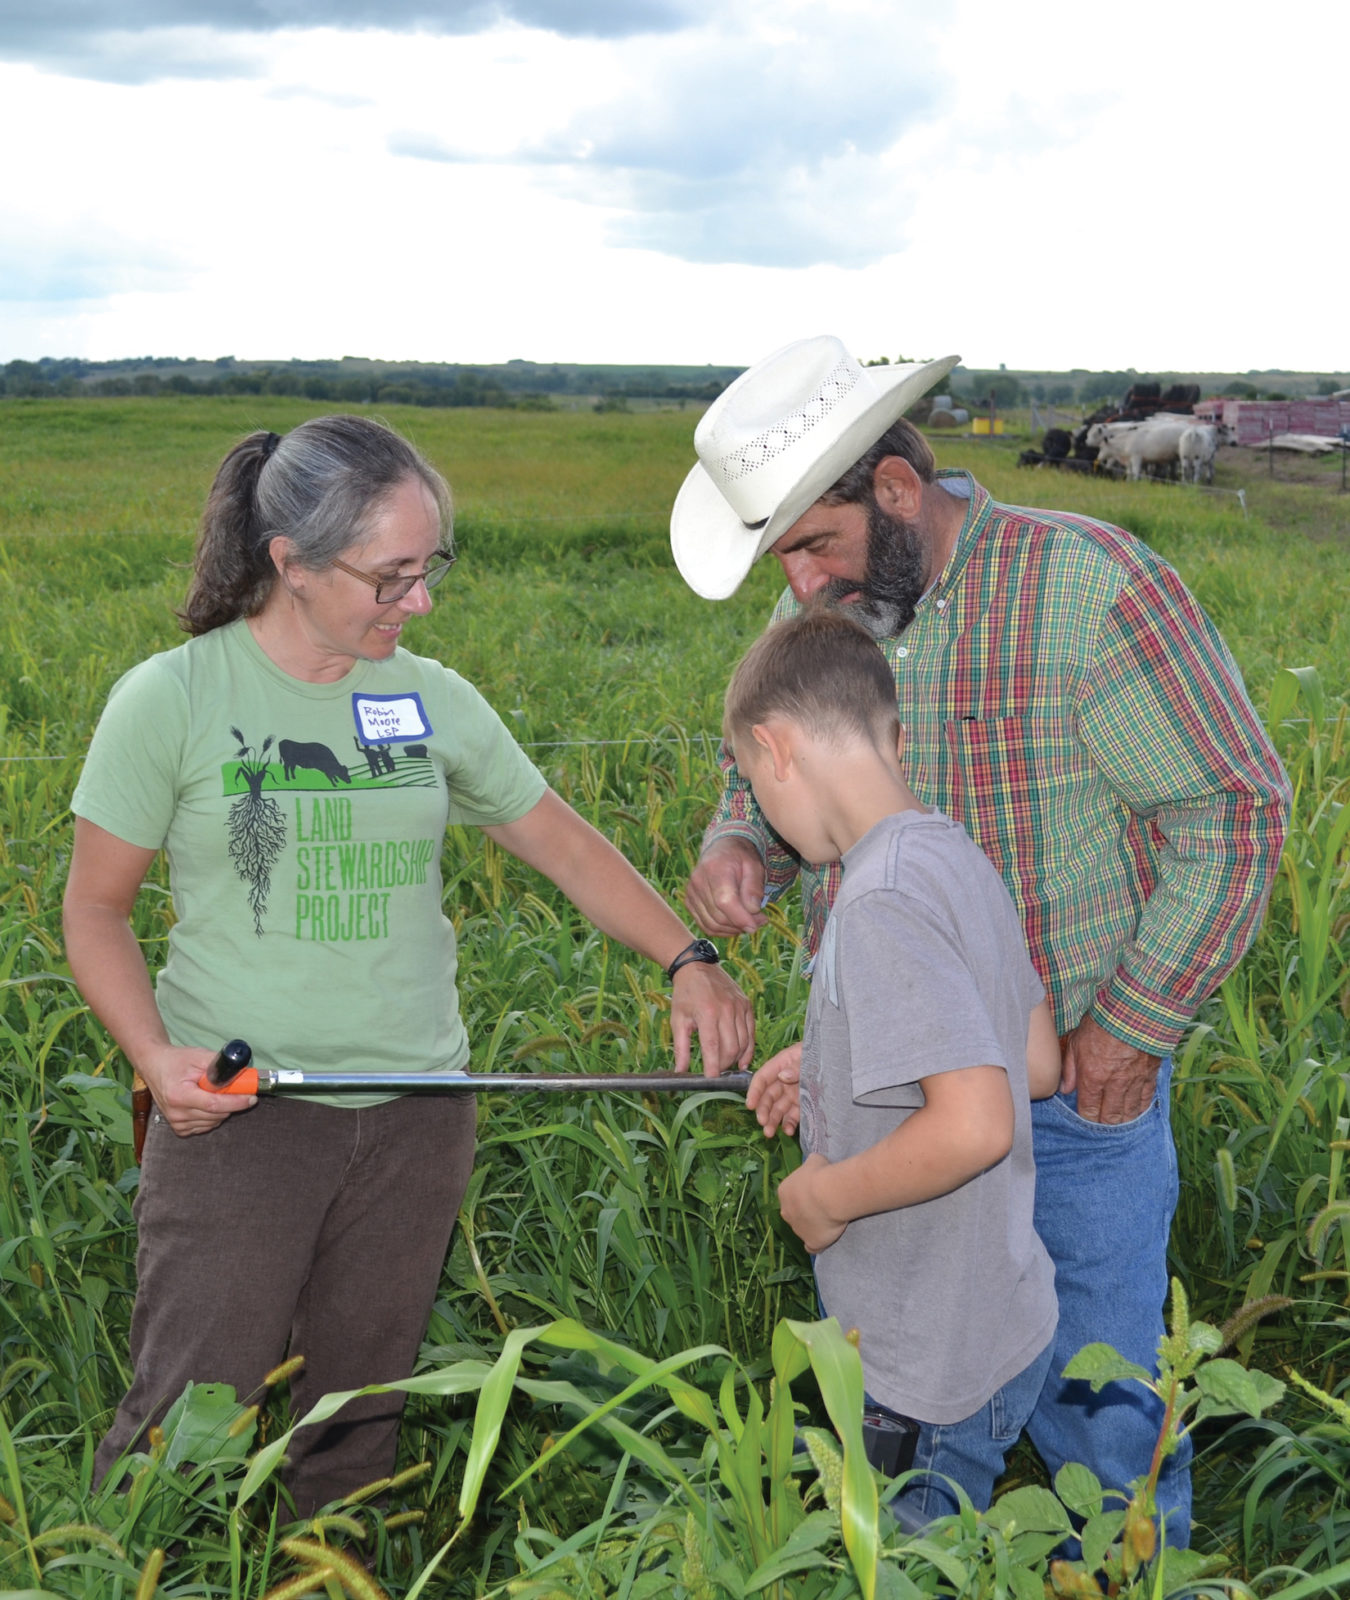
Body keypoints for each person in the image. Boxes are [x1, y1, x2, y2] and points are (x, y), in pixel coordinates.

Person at [63, 414, 754, 1518]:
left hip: (421, 1112)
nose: (418, 602)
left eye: (429, 570)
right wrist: (153, 1057)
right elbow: (94, 910)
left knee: (359, 1415)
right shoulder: (175, 698)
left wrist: (690, 954)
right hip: (243, 1109)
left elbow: (562, 838)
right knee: (187, 1421)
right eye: (389, 578)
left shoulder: (430, 698)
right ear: (289, 563)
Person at [673, 336, 1291, 1544]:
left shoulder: (1092, 586)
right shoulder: (852, 607)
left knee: (1101, 1402)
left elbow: (1235, 809)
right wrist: (741, 836)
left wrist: (1123, 1038)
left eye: (813, 545)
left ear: (895, 493)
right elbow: (789, 753)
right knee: (919, 1386)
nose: (801, 585)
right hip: (894, 1096)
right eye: (783, 554)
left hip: (1073, 1091)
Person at [727, 607, 1061, 1521]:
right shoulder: (951, 853)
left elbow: (976, 1123)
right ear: (891, 734)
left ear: (777, 749)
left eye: (754, 784)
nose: (763, 811)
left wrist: (824, 1197)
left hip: (925, 1367)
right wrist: (836, 1058)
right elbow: (1031, 1058)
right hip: (1002, 1316)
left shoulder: (875, 902)